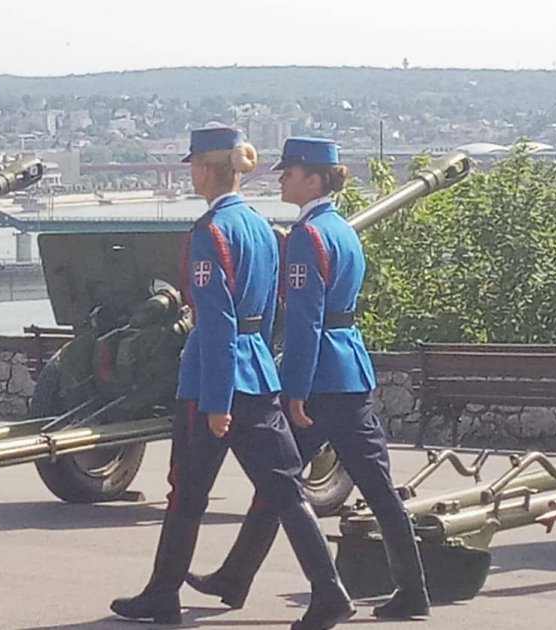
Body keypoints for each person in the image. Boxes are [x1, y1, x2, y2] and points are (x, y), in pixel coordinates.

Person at [109, 127, 354, 629]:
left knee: (187, 491)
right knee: (285, 488)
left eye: (193, 165)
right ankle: (328, 592)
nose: (191, 173)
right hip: (257, 372)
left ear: (204, 168)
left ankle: (162, 594)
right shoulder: (262, 228)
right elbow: (266, 311)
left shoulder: (209, 232)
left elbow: (215, 320)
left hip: (212, 381)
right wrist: (258, 359)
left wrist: (216, 399)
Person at [186, 137, 430, 619]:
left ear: (314, 179)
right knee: (345, 485)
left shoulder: (307, 237)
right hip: (350, 369)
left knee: (281, 484)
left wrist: (294, 390)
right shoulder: (342, 231)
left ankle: (286, 586)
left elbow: (304, 323)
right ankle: (412, 589)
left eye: (290, 172)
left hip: (319, 380)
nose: (281, 179)